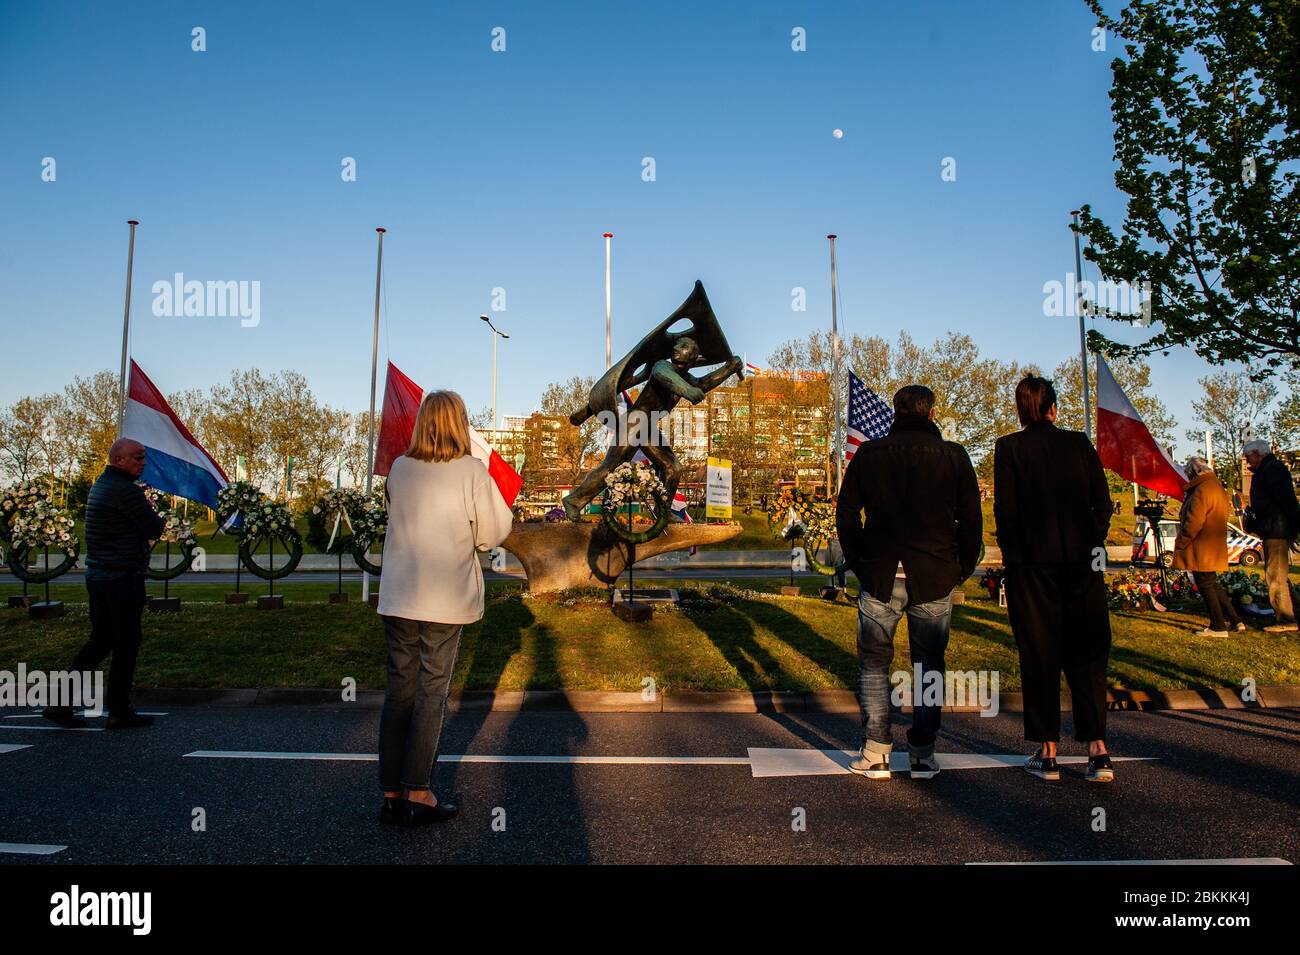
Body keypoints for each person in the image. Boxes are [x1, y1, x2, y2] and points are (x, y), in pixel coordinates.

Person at [376, 390, 513, 827]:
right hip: (444, 598)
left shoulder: (400, 469)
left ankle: (392, 792)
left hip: (399, 596)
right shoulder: (470, 471)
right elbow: (493, 532)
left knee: (400, 690)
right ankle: (419, 790)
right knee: (432, 692)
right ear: (460, 424)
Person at [835, 385, 982, 781]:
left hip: (881, 572)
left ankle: (876, 749)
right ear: (931, 414)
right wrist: (960, 568)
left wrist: (859, 562)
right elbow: (972, 521)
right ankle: (922, 750)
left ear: (894, 413)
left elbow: (846, 515)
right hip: (934, 575)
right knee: (930, 666)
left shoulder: (869, 455)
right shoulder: (954, 456)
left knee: (873, 662)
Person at [994, 375, 1114, 783]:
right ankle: (1097, 749)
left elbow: (1006, 515)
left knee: (1039, 652)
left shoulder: (1009, 448)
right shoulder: (1078, 444)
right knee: (1088, 652)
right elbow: (1102, 501)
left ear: (1021, 409)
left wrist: (1015, 557)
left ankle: (1047, 751)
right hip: (1080, 563)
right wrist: (1090, 536)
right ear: (1053, 408)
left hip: (1032, 567)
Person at [43, 438, 166, 730]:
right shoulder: (126, 492)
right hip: (122, 578)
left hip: (98, 575)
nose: (142, 463)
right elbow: (154, 527)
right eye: (137, 458)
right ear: (119, 459)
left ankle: (61, 703)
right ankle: (119, 710)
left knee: (100, 642)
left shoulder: (101, 486)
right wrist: (150, 508)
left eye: (143, 457)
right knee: (126, 644)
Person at [1173, 456, 1244, 637]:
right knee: (1212, 583)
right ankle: (1235, 620)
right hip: (1213, 542)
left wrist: (1182, 541)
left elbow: (1193, 522)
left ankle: (1218, 626)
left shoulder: (1200, 491)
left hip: (1200, 545)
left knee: (1205, 585)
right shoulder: (1216, 487)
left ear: (1193, 473)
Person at [1243, 439, 1299, 633]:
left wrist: (1294, 524)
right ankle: (1293, 613)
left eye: (1248, 456)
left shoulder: (1272, 470)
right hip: (1275, 527)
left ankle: (1286, 619)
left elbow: (1286, 500)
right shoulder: (1270, 469)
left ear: (1258, 453)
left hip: (1276, 528)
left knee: (1274, 575)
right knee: (1280, 574)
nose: (1247, 461)